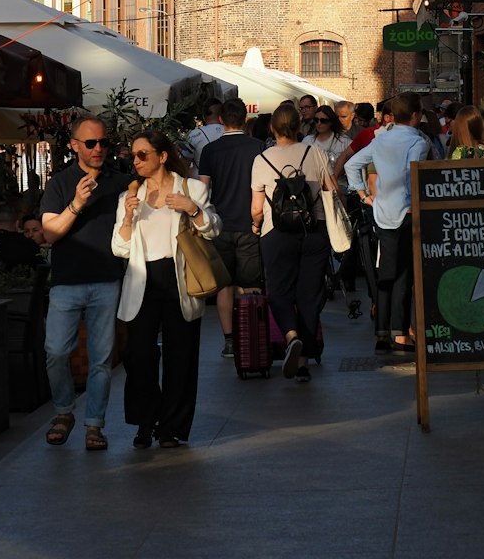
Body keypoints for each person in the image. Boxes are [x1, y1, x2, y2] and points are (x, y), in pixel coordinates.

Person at [112, 129, 220, 447]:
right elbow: (119, 247)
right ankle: (146, 421)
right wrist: (129, 218)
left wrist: (192, 208)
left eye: (142, 154)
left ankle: (171, 427)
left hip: (180, 278)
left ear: (161, 156)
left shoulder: (193, 188)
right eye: (133, 155)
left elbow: (214, 229)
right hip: (142, 279)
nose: (136, 161)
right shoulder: (129, 196)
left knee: (181, 356)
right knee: (138, 355)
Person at [40, 115, 128, 452]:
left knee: (101, 359)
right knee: (55, 352)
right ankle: (64, 410)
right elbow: (49, 234)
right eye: (90, 143)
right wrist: (76, 204)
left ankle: (94, 424)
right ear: (74, 145)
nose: (98, 149)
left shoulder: (120, 182)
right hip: (66, 281)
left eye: (103, 142)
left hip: (106, 279)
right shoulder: (61, 184)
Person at [250, 101, 334, 381]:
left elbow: (256, 208)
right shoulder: (316, 152)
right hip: (314, 232)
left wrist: (255, 224)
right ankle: (303, 362)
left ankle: (291, 335)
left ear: (272, 129)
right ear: (299, 127)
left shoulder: (261, 160)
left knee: (279, 293)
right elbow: (331, 192)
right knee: (309, 297)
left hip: (277, 234)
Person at [345, 94, 430, 353]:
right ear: (415, 115)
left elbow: (352, 164)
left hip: (382, 211)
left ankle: (381, 333)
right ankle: (400, 333)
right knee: (403, 274)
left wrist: (363, 195)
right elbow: (413, 171)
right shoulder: (418, 142)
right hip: (407, 212)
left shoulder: (380, 140)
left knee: (386, 273)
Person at [197, 96, 264, 357]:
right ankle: (254, 334)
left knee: (224, 285)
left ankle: (229, 340)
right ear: (245, 119)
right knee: (251, 283)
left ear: (221, 119)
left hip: (220, 224)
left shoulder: (211, 151)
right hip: (250, 223)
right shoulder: (257, 146)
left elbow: (202, 189)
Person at [0, 203, 43, 270]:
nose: (30, 234)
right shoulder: (30, 245)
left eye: (35, 230)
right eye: (26, 230)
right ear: (17, 224)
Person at [183, 100, 225, 174]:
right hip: (226, 180)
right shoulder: (231, 131)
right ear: (222, 115)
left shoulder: (195, 134)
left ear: (204, 116)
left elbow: (186, 161)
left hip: (199, 180)